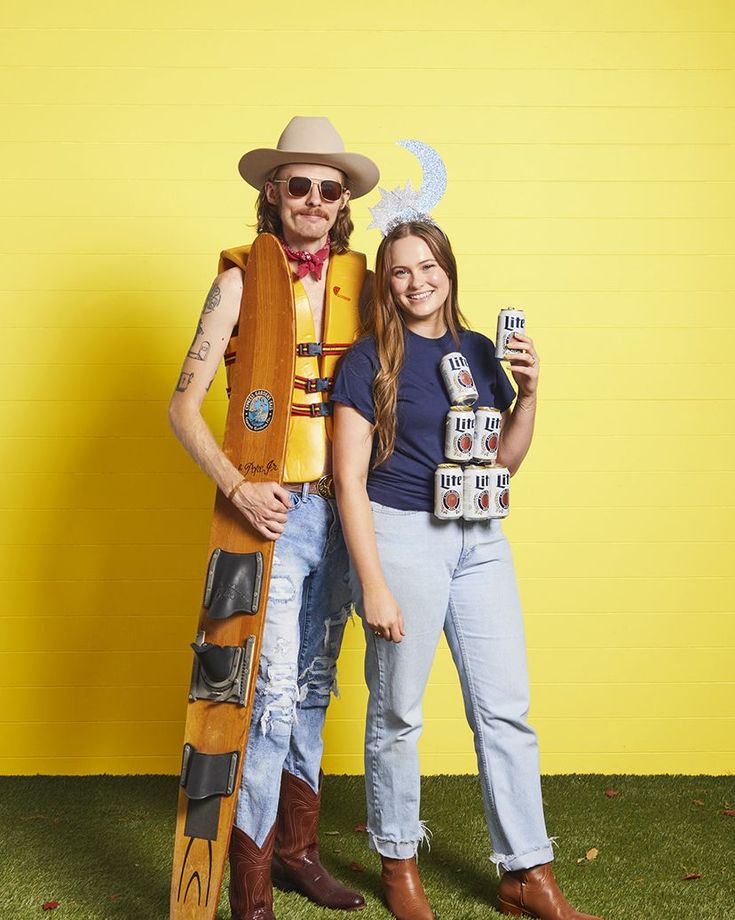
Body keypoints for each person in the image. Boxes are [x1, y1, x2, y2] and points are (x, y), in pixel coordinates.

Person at [332, 220, 602, 920]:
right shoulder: (366, 361)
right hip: (402, 537)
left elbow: (502, 463)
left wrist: (529, 392)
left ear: (449, 270)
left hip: (479, 538)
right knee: (398, 713)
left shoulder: (481, 351)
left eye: (428, 267)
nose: (417, 281)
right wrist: (374, 583)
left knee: (505, 710)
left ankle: (526, 873)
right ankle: (397, 864)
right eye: (399, 271)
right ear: (383, 284)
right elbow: (348, 482)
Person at [168, 116, 379, 920]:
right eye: (301, 185)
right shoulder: (235, 280)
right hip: (273, 513)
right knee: (271, 698)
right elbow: (183, 405)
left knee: (316, 688)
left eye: (332, 189)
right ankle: (249, 887)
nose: (316, 200)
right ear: (272, 192)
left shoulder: (362, 284)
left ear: (343, 202)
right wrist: (236, 486)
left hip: (346, 514)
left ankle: (296, 857)